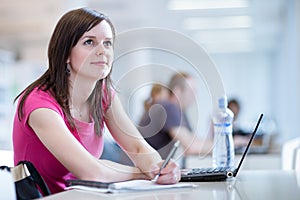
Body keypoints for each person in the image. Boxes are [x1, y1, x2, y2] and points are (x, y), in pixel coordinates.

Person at [12, 7, 180, 194]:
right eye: (89, 42)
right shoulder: (39, 105)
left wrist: (160, 168)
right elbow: (91, 172)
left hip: (83, 196)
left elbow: (138, 147)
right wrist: (146, 173)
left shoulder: (104, 95)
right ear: (66, 54)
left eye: (107, 43)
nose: (102, 51)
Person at [138, 72, 213, 161]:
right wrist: (226, 145)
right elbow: (191, 147)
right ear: (177, 91)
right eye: (192, 92)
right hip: (136, 170)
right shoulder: (167, 107)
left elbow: (191, 139)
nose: (195, 97)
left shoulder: (179, 110)